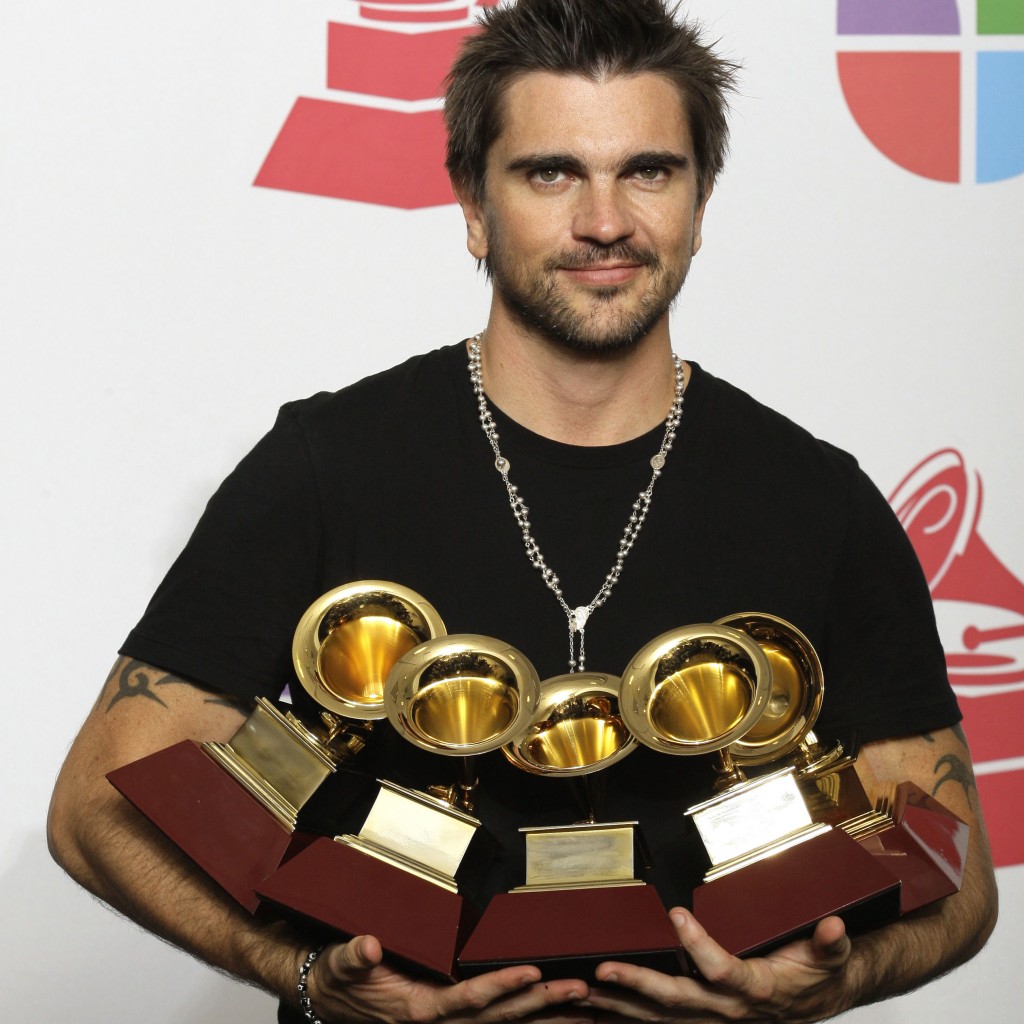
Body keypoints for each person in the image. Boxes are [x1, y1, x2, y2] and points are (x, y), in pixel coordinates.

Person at [48, 1, 997, 1022]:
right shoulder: (327, 465)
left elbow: (964, 879)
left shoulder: (817, 498)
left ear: (700, 203)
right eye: (551, 174)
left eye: (649, 171)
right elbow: (96, 806)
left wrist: (822, 985)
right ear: (472, 205)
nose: (605, 221)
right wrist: (303, 976)